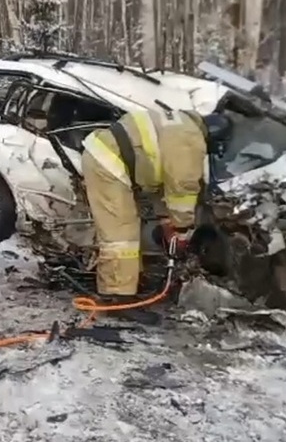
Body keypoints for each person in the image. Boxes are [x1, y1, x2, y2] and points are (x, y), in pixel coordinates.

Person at [81, 108, 233, 323]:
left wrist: (165, 221)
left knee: (125, 235)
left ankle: (127, 283)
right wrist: (181, 231)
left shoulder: (181, 121)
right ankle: (119, 301)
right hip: (108, 163)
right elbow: (182, 189)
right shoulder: (191, 141)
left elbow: (162, 176)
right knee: (122, 237)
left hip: (109, 153)